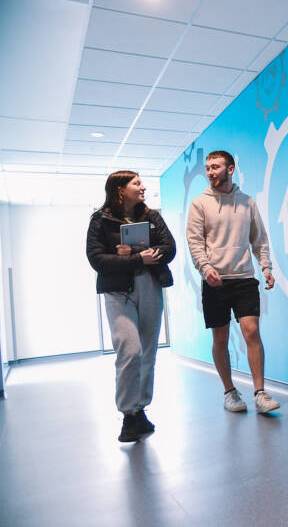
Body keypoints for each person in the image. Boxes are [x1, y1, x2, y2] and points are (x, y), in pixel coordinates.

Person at [186, 150, 280, 414]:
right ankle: (230, 392)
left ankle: (260, 393)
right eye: (207, 167)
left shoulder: (247, 202)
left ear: (230, 168)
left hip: (244, 279)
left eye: (215, 166)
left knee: (252, 332)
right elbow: (194, 242)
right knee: (221, 337)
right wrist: (205, 268)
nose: (210, 171)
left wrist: (267, 267)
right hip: (215, 282)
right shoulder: (199, 204)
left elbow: (259, 239)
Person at [86, 170, 176, 442]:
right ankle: (127, 415)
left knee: (148, 351)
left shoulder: (151, 216)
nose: (143, 187)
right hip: (118, 291)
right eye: (137, 183)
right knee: (130, 349)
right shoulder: (100, 220)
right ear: (120, 190)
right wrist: (138, 260)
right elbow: (97, 260)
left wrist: (133, 253)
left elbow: (169, 249)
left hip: (150, 285)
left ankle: (140, 409)